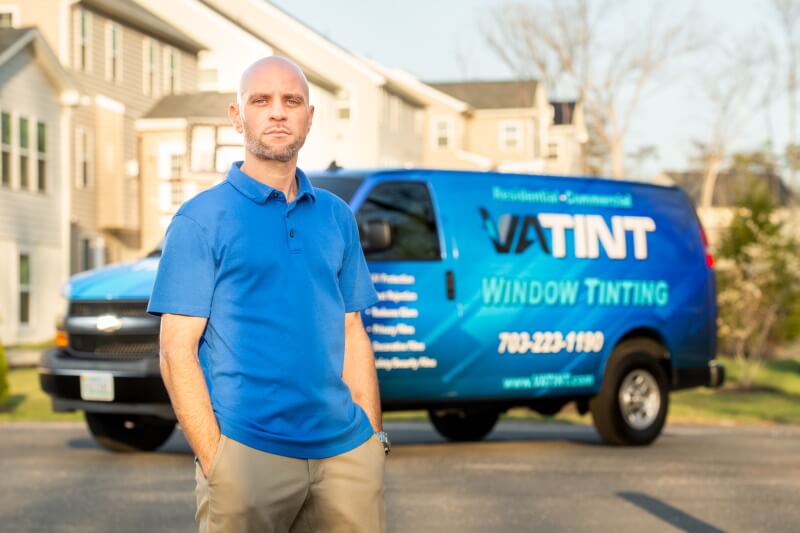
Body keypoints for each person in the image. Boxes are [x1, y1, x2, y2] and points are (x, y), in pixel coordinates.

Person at [147, 56, 389, 533]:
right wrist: (216, 461)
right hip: (247, 457)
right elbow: (176, 351)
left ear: (309, 117)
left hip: (345, 457)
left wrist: (372, 441)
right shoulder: (201, 219)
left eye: (291, 101)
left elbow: (352, 331)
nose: (278, 112)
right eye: (261, 100)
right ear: (237, 117)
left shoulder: (337, 216)